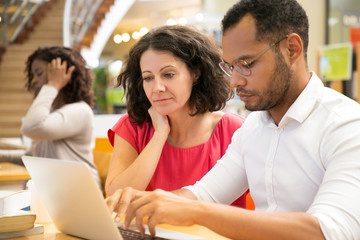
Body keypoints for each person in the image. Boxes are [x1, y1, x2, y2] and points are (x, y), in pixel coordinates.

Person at [106, 0, 360, 239]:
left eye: (246, 64)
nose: (235, 81)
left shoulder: (347, 125)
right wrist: (143, 206)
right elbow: (204, 194)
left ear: (291, 49)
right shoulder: (254, 127)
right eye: (231, 67)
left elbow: (329, 232)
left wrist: (194, 211)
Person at [105, 25, 248, 207]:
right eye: (148, 78)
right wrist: (159, 134)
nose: (157, 87)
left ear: (195, 73)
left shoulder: (233, 129)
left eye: (168, 75)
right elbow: (118, 196)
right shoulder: (132, 126)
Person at [20, 46, 102, 190]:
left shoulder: (80, 110)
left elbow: (30, 127)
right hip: (57, 194)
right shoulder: (52, 114)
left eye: (39, 74)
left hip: (80, 194)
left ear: (63, 74)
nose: (33, 81)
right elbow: (31, 155)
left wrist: (53, 84)